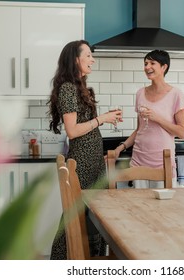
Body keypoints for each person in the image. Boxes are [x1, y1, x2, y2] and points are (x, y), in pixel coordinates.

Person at [47, 40, 121, 259]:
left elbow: (84, 124)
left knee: (93, 215)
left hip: (93, 159)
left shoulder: (81, 88)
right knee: (77, 214)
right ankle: (64, 260)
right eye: (88, 55)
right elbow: (72, 131)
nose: (93, 59)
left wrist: (104, 119)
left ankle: (91, 259)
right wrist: (102, 119)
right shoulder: (68, 88)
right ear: (75, 59)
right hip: (82, 161)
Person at [113, 50, 184, 188]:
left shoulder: (175, 94)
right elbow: (139, 130)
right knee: (139, 206)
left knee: (162, 208)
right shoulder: (140, 93)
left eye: (152, 63)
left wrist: (157, 118)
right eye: (145, 63)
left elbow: (182, 133)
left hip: (162, 162)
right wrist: (120, 148)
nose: (147, 67)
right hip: (138, 160)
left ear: (164, 67)